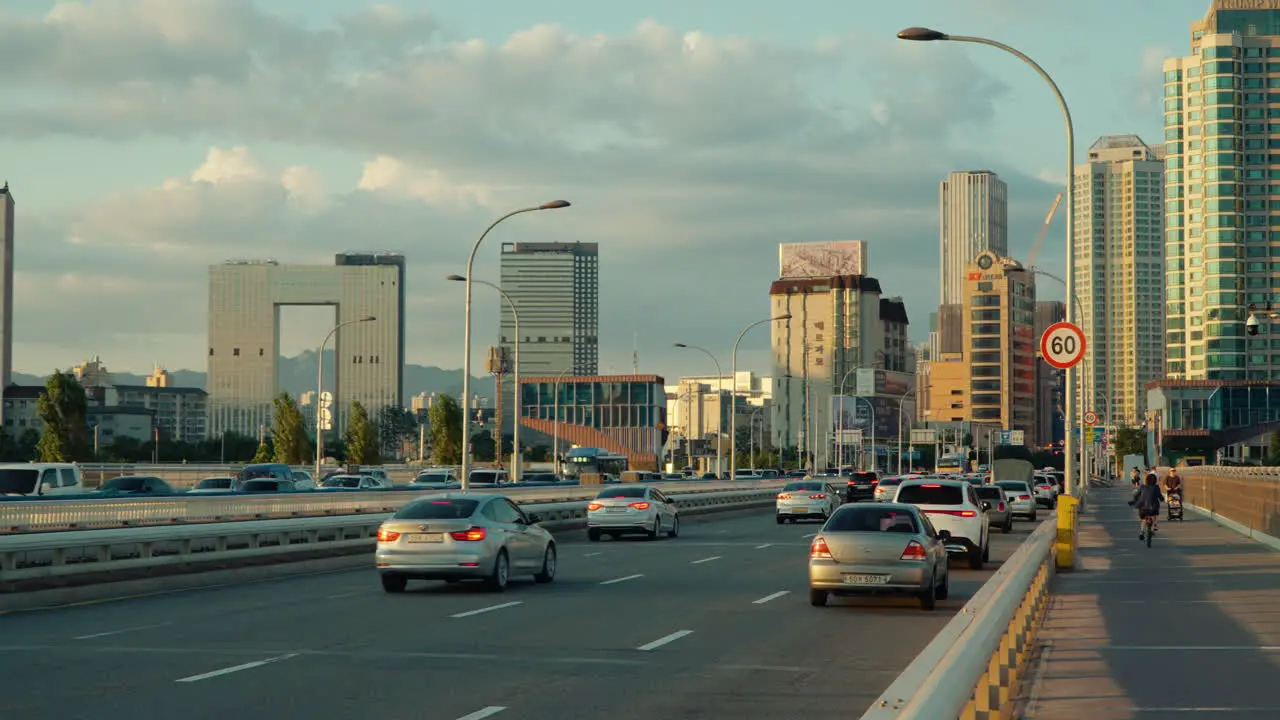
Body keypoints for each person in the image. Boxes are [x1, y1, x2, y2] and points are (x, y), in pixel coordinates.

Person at [1132, 472, 1163, 539]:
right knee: (1155, 514)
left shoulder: (1142, 487)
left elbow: (1136, 495)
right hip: (1153, 508)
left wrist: (1135, 500)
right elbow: (1160, 497)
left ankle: (1142, 532)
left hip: (1143, 509)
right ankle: (1155, 525)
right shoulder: (1156, 487)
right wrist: (1162, 499)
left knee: (1143, 520)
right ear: (1155, 480)